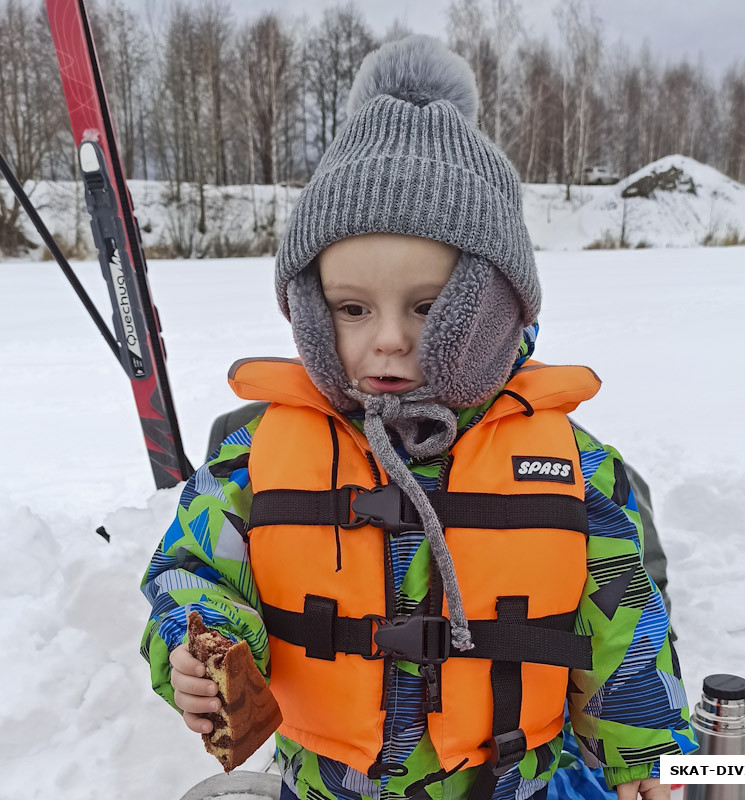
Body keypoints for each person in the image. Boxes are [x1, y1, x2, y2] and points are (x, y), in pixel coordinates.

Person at [141, 35, 696, 800]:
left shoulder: (574, 467)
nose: (390, 338)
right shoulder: (256, 454)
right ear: (310, 310)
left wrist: (646, 761)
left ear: (493, 306)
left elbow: (624, 625)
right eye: (352, 308)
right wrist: (201, 642)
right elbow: (190, 569)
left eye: (430, 307)